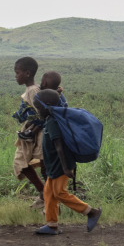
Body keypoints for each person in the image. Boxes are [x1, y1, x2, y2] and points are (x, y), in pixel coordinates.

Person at [34, 88, 102, 235]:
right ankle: (52, 225)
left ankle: (92, 212)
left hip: (61, 165)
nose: (38, 111)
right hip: (54, 165)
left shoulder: (53, 122)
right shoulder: (49, 121)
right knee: (48, 193)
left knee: (59, 193)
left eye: (38, 108)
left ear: (46, 106)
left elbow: (59, 145)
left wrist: (65, 168)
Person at [11, 56, 47, 208]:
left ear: (27, 73)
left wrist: (33, 131)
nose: (15, 76)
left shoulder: (33, 91)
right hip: (33, 134)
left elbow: (42, 115)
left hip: (38, 135)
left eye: (17, 72)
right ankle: (45, 195)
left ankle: (46, 196)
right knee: (23, 163)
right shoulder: (32, 89)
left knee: (25, 163)